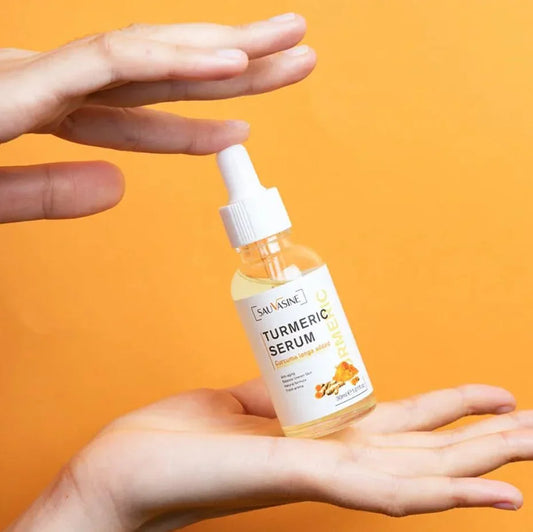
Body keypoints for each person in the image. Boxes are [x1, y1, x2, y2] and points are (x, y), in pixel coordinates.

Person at [2, 13, 533, 531]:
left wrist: (98, 499)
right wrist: (100, 494)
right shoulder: (247, 281)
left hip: (338, 394)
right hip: (305, 414)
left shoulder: (302, 262)